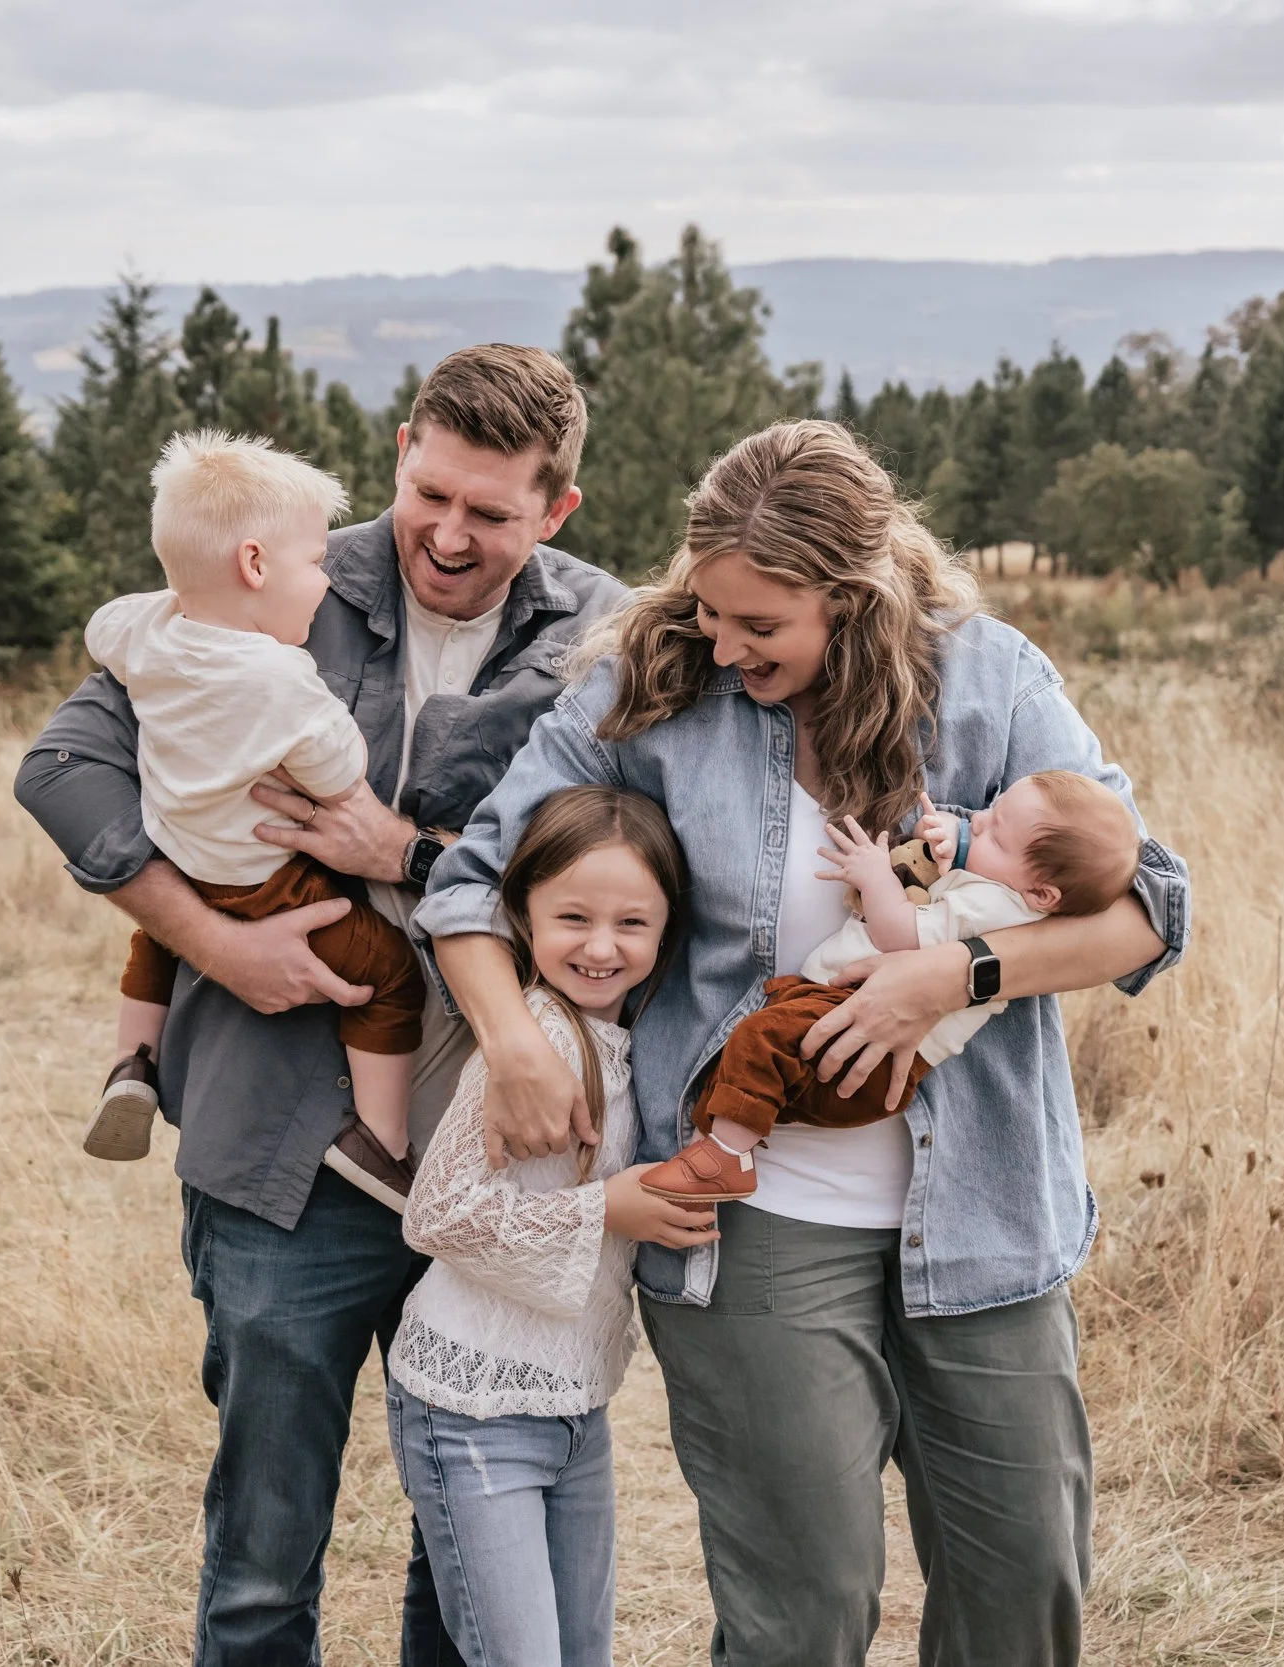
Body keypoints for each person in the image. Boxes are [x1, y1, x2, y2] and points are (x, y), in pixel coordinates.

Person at [418, 419, 1192, 1667]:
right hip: (752, 1228)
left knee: (1022, 1594)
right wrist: (511, 1038)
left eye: (759, 626)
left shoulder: (991, 680)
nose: (725, 645)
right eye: (711, 612)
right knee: (803, 1613)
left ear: (854, 597)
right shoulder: (647, 689)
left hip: (988, 1214)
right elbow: (466, 883)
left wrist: (951, 970)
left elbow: (1146, 909)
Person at [12, 344, 625, 1667]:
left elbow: (630, 875)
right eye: (432, 492)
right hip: (280, 1157)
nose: (449, 536)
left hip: (484, 1154)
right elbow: (63, 768)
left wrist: (401, 855)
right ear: (405, 446)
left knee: (465, 1548)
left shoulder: (602, 637)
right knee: (260, 1560)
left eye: (494, 512)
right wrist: (213, 948)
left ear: (556, 510)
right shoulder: (266, 567)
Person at [389, 786, 718, 1667]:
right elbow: (439, 1212)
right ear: (521, 913)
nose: (602, 945)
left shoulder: (635, 1038)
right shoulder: (535, 1039)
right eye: (572, 915)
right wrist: (608, 1207)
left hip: (576, 1406)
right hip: (471, 1407)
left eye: (632, 923)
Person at [80, 431, 422, 1207]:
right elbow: (342, 771)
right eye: (314, 563)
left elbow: (102, 626)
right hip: (264, 880)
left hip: (179, 859)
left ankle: (132, 1061)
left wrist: (171, 605)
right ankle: (382, 1139)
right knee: (388, 971)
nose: (324, 580)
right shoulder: (279, 675)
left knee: (157, 936)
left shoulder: (148, 630)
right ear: (257, 565)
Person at [639, 770, 1141, 1202]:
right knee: (760, 1049)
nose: (976, 821)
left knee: (759, 1041)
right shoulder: (1000, 890)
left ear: (1042, 893)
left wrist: (876, 876)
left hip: (873, 1055)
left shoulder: (997, 907)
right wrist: (959, 838)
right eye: (991, 811)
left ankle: (724, 1160)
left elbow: (901, 933)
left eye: (996, 834)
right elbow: (963, 852)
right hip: (847, 1016)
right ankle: (724, 1142)